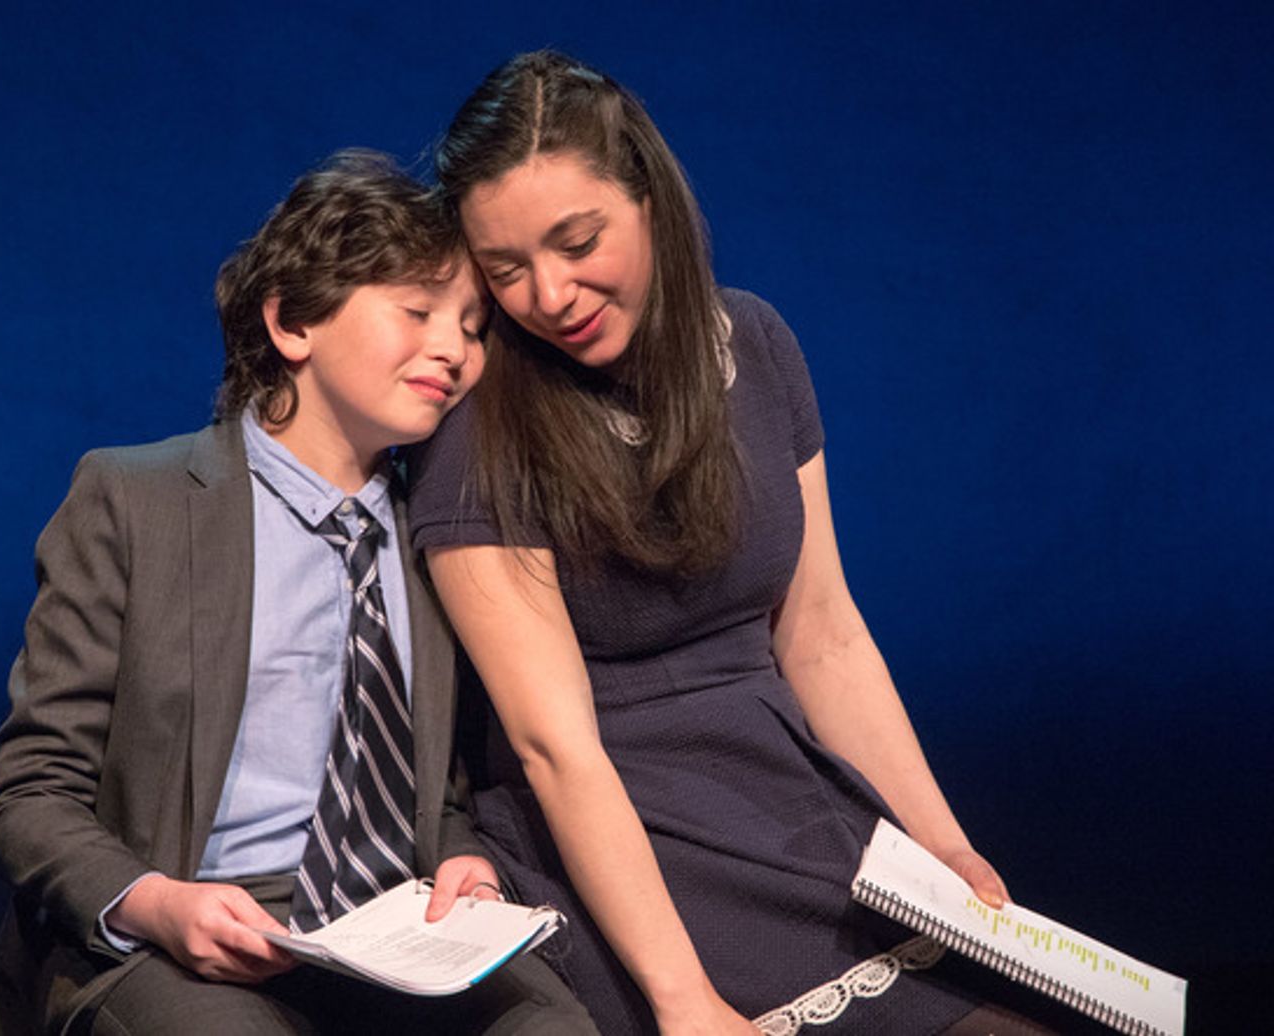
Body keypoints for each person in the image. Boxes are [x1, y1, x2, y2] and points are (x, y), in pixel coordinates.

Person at [408, 52, 1089, 1035]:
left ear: (645, 196)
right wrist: (682, 997)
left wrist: (941, 846)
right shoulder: (478, 424)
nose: (548, 295)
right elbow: (550, 745)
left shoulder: (756, 342)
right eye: (506, 270)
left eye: (576, 241)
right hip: (624, 840)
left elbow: (821, 635)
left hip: (785, 800)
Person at [0, 150, 596, 1036]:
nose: (454, 350)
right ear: (292, 322)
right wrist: (155, 904)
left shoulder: (440, 527)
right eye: (419, 311)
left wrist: (466, 861)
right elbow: (30, 791)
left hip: (394, 927)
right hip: (195, 928)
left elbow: (439, 787)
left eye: (471, 326)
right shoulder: (136, 499)